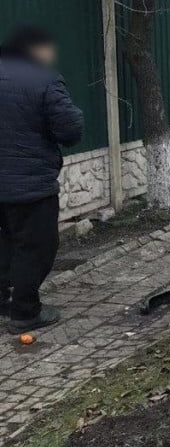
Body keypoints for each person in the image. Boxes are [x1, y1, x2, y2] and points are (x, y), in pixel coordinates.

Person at [0, 26, 83, 333]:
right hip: (29, 185)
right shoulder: (43, 78)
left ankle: (2, 302)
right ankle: (24, 312)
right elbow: (70, 130)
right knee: (34, 247)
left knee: (5, 242)